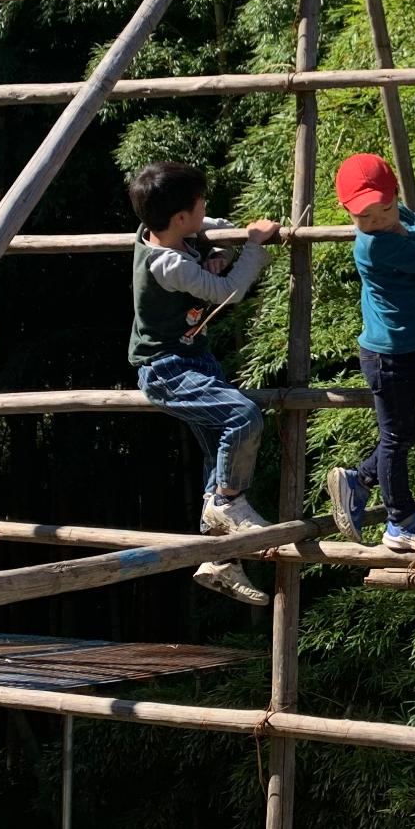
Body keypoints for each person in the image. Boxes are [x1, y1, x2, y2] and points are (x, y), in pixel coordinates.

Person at [126, 160, 279, 606]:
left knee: (219, 451)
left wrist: (222, 250)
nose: (205, 209)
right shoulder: (168, 263)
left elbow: (218, 231)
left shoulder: (171, 233)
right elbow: (230, 291)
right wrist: (254, 247)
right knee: (242, 417)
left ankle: (218, 560)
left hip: (194, 359)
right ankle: (228, 502)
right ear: (179, 218)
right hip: (166, 368)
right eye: (199, 204)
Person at [323, 153, 415, 555]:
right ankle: (400, 520)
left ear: (394, 197)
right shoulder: (376, 245)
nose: (377, 221)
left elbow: (412, 221)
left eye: (383, 210)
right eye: (364, 216)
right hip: (387, 355)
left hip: (400, 352)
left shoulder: (394, 218)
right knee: (394, 435)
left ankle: (360, 479)